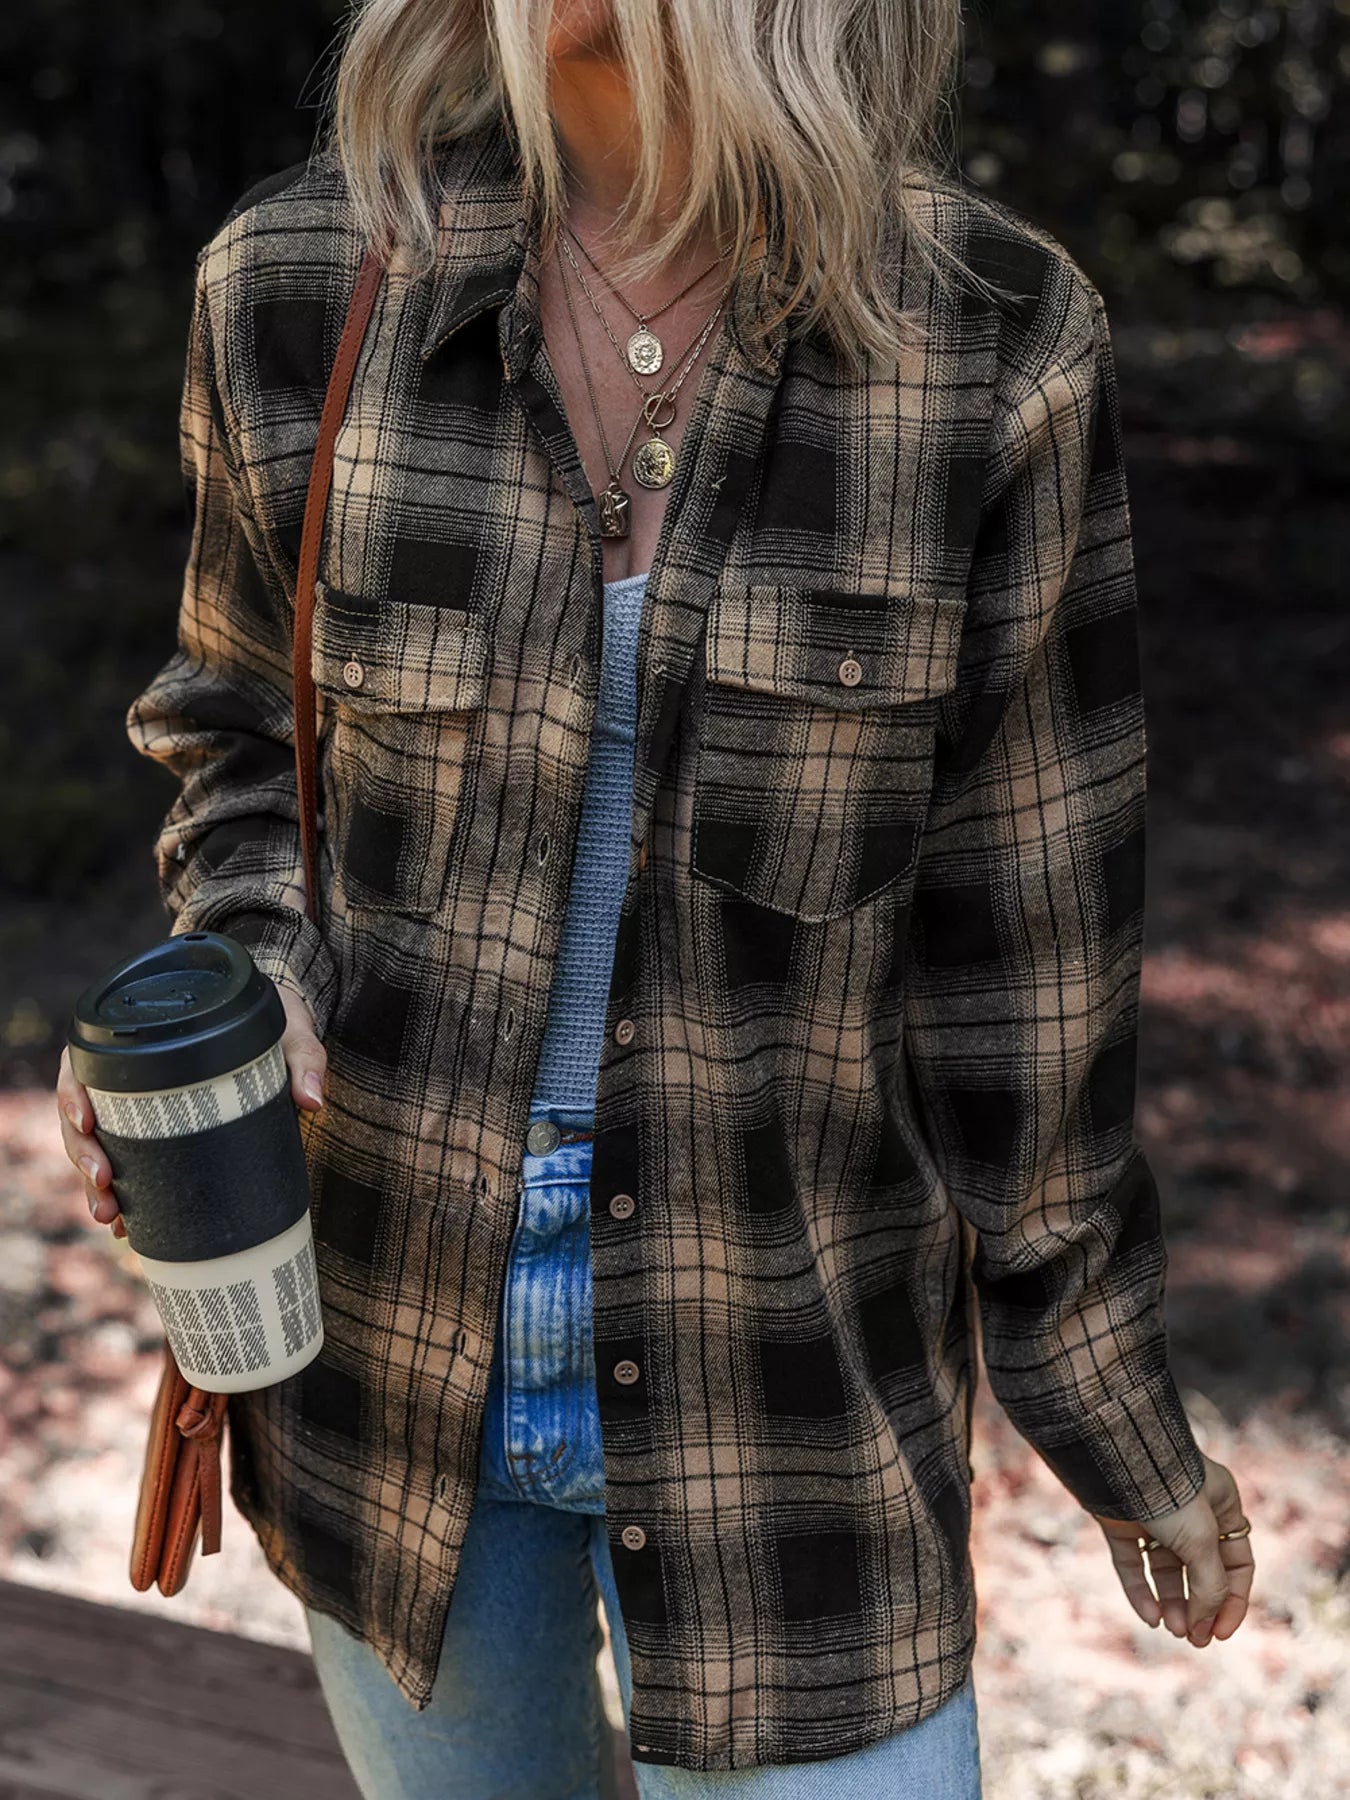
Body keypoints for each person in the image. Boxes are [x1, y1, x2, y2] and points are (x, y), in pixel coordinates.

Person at [57, 0, 1256, 1794]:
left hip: (788, 1382)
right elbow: (238, 735)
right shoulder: (305, 283)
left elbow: (1024, 960)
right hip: (383, 1368)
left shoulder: (989, 345)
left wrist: (1102, 1398)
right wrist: (250, 964)